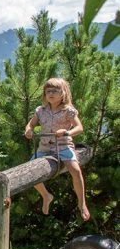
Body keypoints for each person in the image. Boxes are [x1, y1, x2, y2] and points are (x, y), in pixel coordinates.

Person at [24, 77, 90, 222]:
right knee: (29, 171)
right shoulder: (40, 111)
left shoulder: (69, 111)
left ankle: (82, 203)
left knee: (76, 171)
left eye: (55, 90)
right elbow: (30, 125)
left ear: (63, 93)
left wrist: (67, 132)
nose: (51, 93)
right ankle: (46, 196)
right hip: (44, 147)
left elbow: (79, 128)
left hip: (63, 145)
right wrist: (28, 131)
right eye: (48, 91)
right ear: (44, 94)